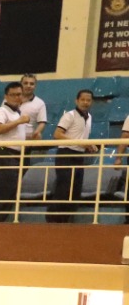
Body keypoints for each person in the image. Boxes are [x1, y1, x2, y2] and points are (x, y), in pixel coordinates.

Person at [0, 81, 33, 223]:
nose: (16, 97)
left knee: (12, 189)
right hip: (4, 152)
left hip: (17, 154)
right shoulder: (2, 111)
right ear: (6, 96)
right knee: (6, 187)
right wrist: (19, 122)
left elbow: (19, 134)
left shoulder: (18, 113)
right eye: (13, 95)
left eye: (19, 94)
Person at [49, 89, 96, 223]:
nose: (85, 102)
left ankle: (66, 219)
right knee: (64, 188)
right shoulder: (69, 115)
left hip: (79, 156)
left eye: (88, 100)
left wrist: (88, 145)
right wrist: (80, 143)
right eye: (83, 100)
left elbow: (81, 138)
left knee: (75, 190)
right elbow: (57, 134)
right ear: (77, 101)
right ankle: (54, 220)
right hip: (66, 154)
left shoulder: (90, 117)